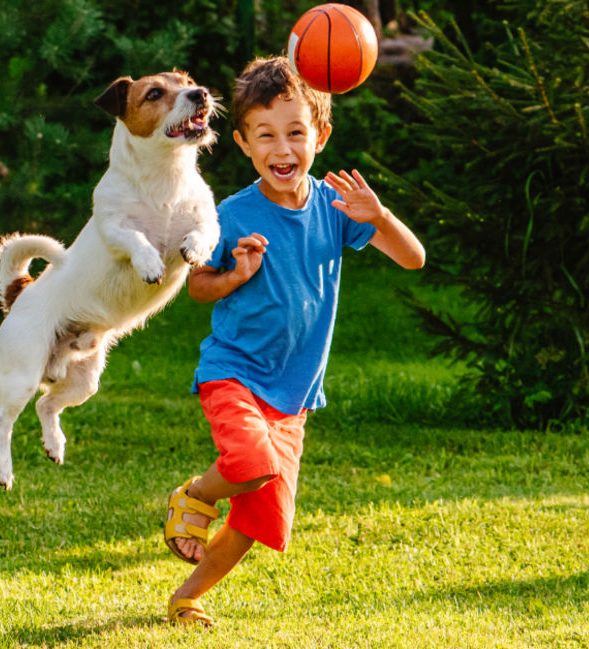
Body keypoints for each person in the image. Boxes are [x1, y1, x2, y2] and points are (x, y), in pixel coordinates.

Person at [161, 56, 425, 627]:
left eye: (296, 132)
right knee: (250, 463)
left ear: (320, 136)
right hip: (233, 371)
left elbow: (412, 257)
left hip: (292, 394)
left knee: (260, 521)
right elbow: (198, 287)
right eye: (266, 135)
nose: (283, 149)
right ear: (243, 143)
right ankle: (196, 496)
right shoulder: (230, 213)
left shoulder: (337, 209)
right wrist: (234, 275)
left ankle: (188, 596)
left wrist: (379, 215)